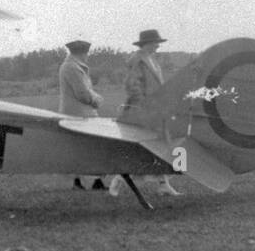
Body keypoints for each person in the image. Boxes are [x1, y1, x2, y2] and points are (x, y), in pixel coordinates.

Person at [109, 29, 182, 197]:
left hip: (155, 111)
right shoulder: (137, 60)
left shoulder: (151, 60)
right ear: (148, 43)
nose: (158, 46)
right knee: (143, 149)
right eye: (156, 42)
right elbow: (132, 85)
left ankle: (163, 184)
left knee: (160, 147)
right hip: (142, 113)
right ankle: (119, 179)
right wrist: (144, 106)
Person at [58, 40, 107, 190]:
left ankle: (80, 182)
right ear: (82, 53)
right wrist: (97, 100)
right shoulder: (73, 68)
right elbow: (83, 94)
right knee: (92, 148)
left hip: (76, 113)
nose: (87, 57)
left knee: (78, 149)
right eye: (86, 53)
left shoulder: (72, 66)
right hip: (80, 114)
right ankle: (95, 181)